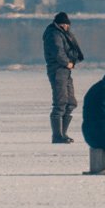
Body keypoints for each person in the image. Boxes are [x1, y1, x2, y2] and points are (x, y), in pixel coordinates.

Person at [42, 11, 84, 144]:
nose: (67, 27)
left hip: (66, 71)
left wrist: (72, 61)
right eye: (65, 24)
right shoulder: (54, 34)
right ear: (60, 24)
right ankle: (57, 136)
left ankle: (63, 134)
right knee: (60, 103)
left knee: (71, 102)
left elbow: (70, 51)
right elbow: (58, 52)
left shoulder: (64, 34)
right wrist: (67, 62)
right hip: (58, 70)